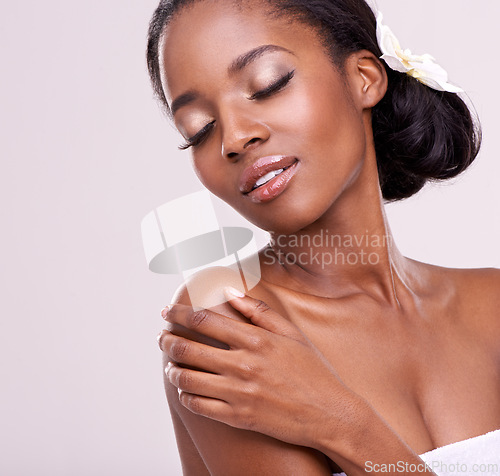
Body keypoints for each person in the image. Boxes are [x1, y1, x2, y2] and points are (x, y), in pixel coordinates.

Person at [149, 0, 500, 474]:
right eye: (199, 129)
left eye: (267, 84)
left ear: (364, 78)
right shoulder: (228, 327)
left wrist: (342, 424)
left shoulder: (492, 306)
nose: (232, 138)